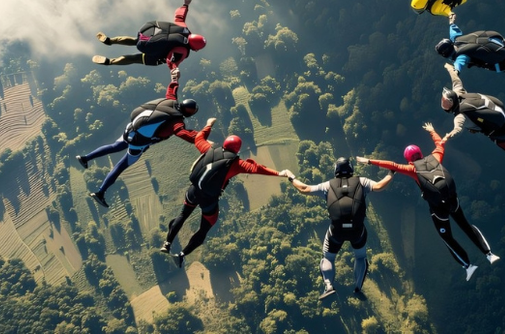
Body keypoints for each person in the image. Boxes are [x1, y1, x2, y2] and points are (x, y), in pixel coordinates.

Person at [356, 123, 499, 281]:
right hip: (454, 201)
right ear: (420, 153)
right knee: (466, 226)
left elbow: (392, 165)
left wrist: (369, 161)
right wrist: (432, 131)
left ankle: (468, 266)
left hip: (439, 210)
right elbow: (440, 143)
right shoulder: (436, 157)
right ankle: (489, 254)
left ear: (409, 160)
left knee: (447, 238)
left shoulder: (413, 170)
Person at [161, 124, 293, 267]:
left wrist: (208, 125)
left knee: (182, 215)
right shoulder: (235, 164)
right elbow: (256, 168)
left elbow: (199, 138)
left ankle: (167, 244)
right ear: (237, 149)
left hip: (193, 191)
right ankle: (181, 255)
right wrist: (279, 173)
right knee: (204, 228)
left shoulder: (209, 149)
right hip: (209, 200)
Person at [76, 68, 201, 208]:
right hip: (138, 143)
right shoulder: (176, 122)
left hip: (130, 129)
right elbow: (183, 133)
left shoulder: (170, 101)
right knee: (120, 167)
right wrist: (202, 138)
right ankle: (100, 193)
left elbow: (172, 89)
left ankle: (85, 158)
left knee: (114, 147)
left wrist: (175, 77)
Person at [287, 157, 393, 300]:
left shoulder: (328, 185)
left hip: (336, 232)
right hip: (357, 231)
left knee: (328, 258)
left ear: (336, 169)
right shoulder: (362, 182)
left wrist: (291, 177)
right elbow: (380, 186)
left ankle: (329, 286)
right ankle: (358, 287)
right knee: (360, 256)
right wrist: (391, 172)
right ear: (351, 169)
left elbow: (304, 189)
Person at [92, 0, 205, 67]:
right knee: (134, 58)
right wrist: (174, 72)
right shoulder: (183, 50)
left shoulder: (184, 29)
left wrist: (185, 4)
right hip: (153, 54)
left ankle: (109, 40)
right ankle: (110, 62)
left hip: (148, 33)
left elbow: (179, 16)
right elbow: (172, 61)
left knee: (136, 40)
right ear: (194, 48)